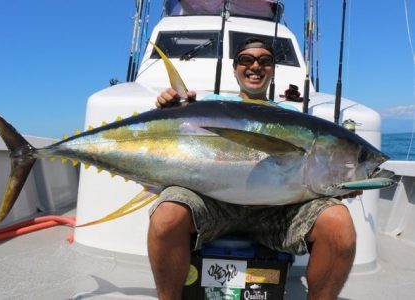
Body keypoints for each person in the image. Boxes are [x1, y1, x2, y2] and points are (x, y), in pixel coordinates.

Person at [148, 37, 359, 300]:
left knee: (338, 222)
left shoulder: (289, 114)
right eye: (247, 60)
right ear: (235, 68)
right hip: (214, 203)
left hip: (276, 212)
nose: (255, 66)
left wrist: (336, 183)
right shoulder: (208, 105)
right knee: (167, 214)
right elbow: (170, 143)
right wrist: (169, 109)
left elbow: (307, 171)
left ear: (273, 68)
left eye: (265, 60)